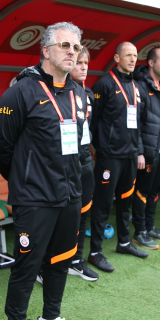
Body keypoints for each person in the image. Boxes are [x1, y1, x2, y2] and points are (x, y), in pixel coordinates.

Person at [0, 22, 87, 320]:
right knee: (27, 265)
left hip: (69, 194)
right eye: (64, 45)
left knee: (61, 259)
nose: (71, 52)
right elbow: (1, 149)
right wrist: (25, 182)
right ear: (45, 50)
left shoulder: (78, 92)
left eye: (75, 47)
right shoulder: (20, 92)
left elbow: (81, 145)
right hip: (34, 198)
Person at [88, 42, 148, 273]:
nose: (133, 59)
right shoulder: (103, 84)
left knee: (125, 201)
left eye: (135, 55)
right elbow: (93, 121)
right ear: (116, 58)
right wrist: (103, 148)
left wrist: (138, 149)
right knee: (103, 204)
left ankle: (124, 243)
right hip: (109, 157)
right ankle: (95, 252)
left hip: (131, 156)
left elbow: (139, 124)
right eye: (128, 55)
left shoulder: (135, 85)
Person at [129, 48, 160, 249]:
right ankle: (139, 230)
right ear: (150, 63)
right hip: (148, 150)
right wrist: (139, 151)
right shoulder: (139, 86)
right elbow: (136, 122)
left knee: (156, 189)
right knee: (143, 190)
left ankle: (150, 226)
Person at [65, 48, 99, 281]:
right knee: (63, 216)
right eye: (79, 63)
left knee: (84, 212)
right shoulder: (60, 91)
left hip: (85, 160)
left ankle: (76, 259)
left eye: (86, 62)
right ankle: (51, 262)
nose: (84, 67)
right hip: (67, 164)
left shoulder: (88, 93)